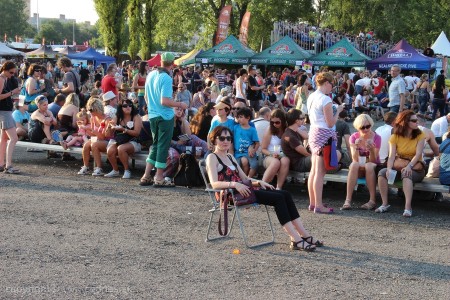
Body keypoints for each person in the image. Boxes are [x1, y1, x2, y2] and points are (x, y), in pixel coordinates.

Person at [206, 126, 322, 252]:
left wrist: (259, 182)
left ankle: (304, 235)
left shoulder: (230, 157)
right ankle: (295, 239)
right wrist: (234, 185)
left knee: (285, 194)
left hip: (244, 190)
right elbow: (214, 184)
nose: (226, 141)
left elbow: (245, 178)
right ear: (214, 140)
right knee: (278, 198)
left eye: (228, 138)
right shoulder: (212, 157)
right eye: (222, 138)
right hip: (229, 195)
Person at [139, 52, 188, 187]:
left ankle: (146, 175)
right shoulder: (165, 77)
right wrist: (180, 104)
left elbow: (146, 97)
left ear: (160, 61)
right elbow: (165, 101)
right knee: (162, 146)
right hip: (164, 116)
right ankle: (159, 177)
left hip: (153, 115)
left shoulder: (151, 74)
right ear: (172, 64)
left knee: (155, 145)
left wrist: (151, 108)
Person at [306, 72, 344, 214]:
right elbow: (330, 123)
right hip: (324, 135)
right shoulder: (326, 100)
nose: (332, 88)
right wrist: (338, 111)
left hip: (314, 132)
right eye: (331, 84)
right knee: (320, 172)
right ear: (327, 83)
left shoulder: (311, 96)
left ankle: (313, 202)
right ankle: (319, 205)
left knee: (313, 171)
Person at [377, 111, 426, 217]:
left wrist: (409, 166)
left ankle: (408, 207)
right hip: (400, 165)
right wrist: (389, 169)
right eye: (414, 120)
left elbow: (418, 155)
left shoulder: (420, 134)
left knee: (406, 174)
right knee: (382, 172)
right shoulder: (395, 136)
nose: (417, 122)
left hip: (416, 167)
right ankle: (384, 204)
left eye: (416, 120)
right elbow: (391, 156)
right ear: (405, 122)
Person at [341, 114, 381, 210]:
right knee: (354, 164)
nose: (366, 129)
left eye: (368, 126)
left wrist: (371, 150)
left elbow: (373, 160)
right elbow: (354, 159)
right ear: (358, 127)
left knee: (369, 166)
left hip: (372, 167)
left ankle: (372, 200)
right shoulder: (354, 137)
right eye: (363, 127)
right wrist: (357, 147)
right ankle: (348, 200)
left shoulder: (377, 137)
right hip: (358, 167)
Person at [104, 99, 143, 179]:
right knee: (110, 150)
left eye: (130, 105)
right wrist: (109, 126)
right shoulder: (117, 117)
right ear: (120, 108)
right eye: (125, 106)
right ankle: (115, 170)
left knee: (121, 149)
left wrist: (124, 130)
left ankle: (127, 170)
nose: (128, 107)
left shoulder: (136, 116)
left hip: (134, 141)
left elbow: (137, 133)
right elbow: (107, 134)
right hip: (120, 140)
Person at [77, 97, 113, 176]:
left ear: (96, 109)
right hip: (97, 139)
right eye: (88, 109)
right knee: (86, 145)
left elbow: (104, 136)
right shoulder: (93, 117)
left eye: (90, 110)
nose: (89, 112)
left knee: (94, 145)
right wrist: (83, 128)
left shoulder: (107, 119)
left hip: (108, 141)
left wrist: (94, 132)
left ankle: (99, 168)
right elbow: (92, 134)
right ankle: (86, 166)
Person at [0, 61, 22, 173]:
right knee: (14, 138)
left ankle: (1, 164)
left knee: (4, 139)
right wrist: (12, 92)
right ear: (5, 69)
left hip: (5, 111)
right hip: (4, 112)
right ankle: (8, 166)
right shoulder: (1, 79)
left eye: (14, 73)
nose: (12, 74)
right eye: (11, 72)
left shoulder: (6, 79)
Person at [261, 109, 290, 190]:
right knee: (275, 162)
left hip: (283, 154)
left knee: (285, 160)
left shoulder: (287, 129)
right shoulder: (270, 129)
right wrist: (271, 154)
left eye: (277, 122)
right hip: (268, 155)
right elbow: (263, 149)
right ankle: (262, 186)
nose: (274, 124)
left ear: (283, 121)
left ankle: (278, 188)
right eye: (272, 122)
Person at [281, 108, 311, 173]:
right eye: (302, 118)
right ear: (296, 121)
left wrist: (296, 128)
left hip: (302, 161)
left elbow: (306, 136)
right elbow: (306, 153)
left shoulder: (293, 130)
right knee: (318, 158)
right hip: (299, 164)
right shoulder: (290, 136)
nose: (304, 120)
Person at [233, 107, 259, 178]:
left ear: (248, 118)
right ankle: (241, 178)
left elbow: (257, 143)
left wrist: (254, 150)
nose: (239, 119)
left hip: (248, 153)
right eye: (238, 117)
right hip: (237, 153)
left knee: (254, 165)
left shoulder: (252, 130)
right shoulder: (235, 128)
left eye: (241, 117)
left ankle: (248, 178)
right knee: (236, 166)